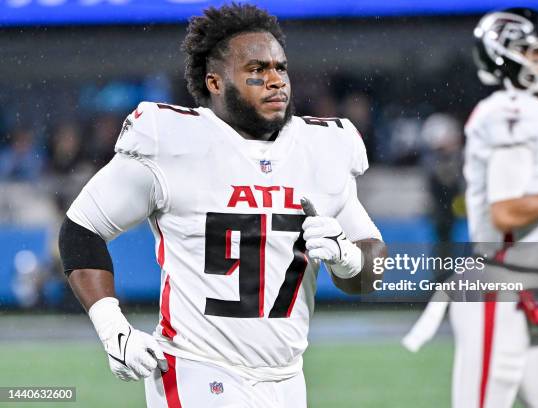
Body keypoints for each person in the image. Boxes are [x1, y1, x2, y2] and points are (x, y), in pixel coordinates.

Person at [58, 4, 385, 408]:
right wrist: (113, 330)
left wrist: (348, 259)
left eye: (280, 68)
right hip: (197, 369)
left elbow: (373, 269)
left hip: (286, 378)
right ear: (214, 81)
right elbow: (81, 228)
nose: (275, 81)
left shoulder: (321, 149)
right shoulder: (172, 142)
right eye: (257, 69)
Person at [456, 8, 538, 408]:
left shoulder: (530, 109)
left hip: (531, 284)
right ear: (507, 54)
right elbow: (504, 212)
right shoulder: (511, 110)